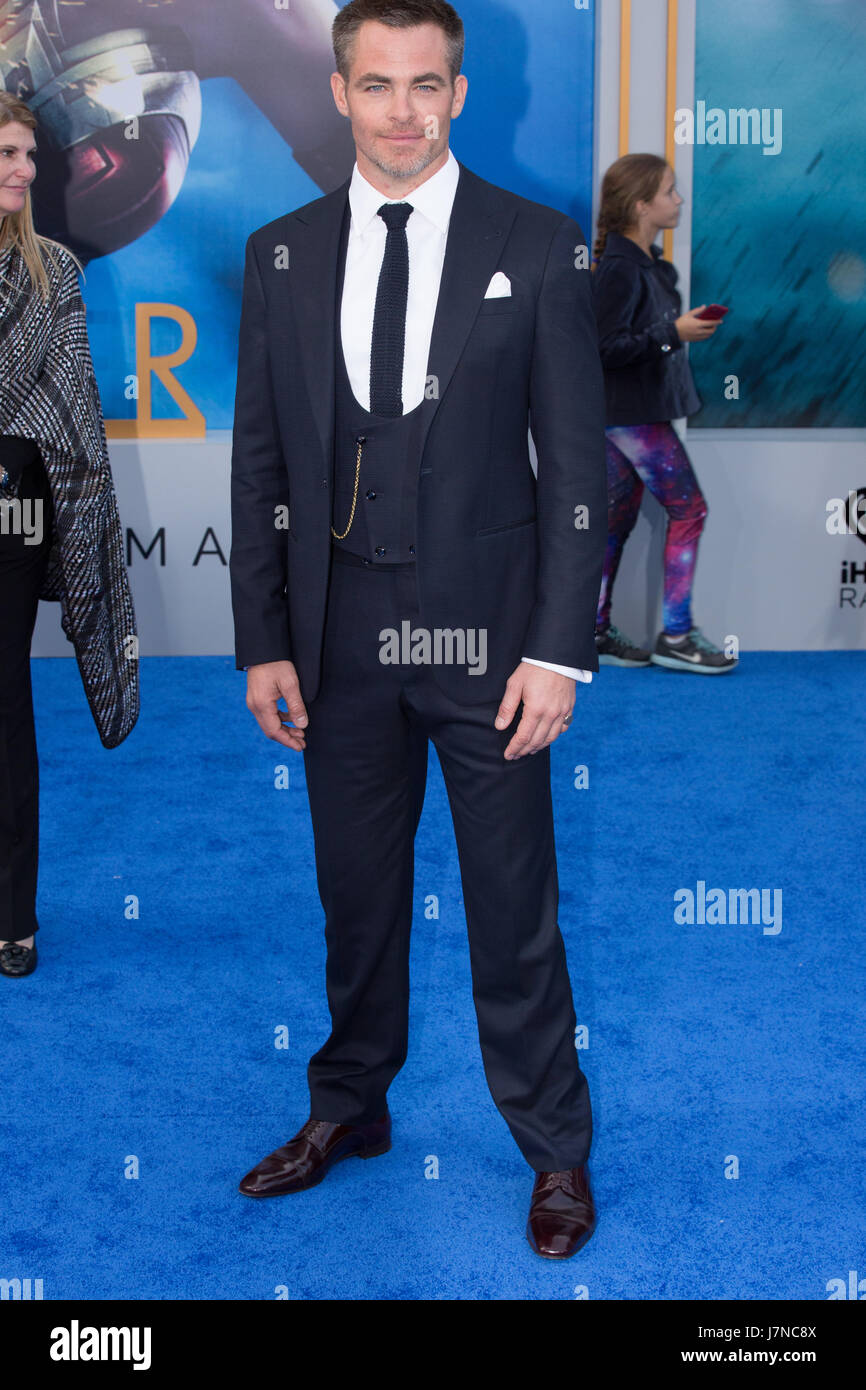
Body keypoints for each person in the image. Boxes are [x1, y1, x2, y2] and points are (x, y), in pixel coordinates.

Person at [229, 0, 607, 1260]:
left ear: (456, 91)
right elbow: (260, 458)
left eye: (426, 85)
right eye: (377, 85)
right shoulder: (280, 253)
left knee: (512, 906)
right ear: (337, 92)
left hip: (489, 648)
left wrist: (557, 649)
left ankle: (553, 1149)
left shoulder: (537, 244)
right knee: (356, 899)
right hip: (336, 639)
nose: (403, 111)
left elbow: (574, 475)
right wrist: (261, 637)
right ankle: (350, 1107)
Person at [0, 91, 138, 979]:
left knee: (4, 704)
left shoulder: (55, 269)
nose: (22, 171)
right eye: (7, 154)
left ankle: (14, 917)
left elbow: (76, 410)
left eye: (27, 157)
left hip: (15, 500)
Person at [591, 153, 737, 673]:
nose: (679, 200)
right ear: (640, 206)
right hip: (633, 418)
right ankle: (676, 635)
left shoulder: (648, 266)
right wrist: (672, 333)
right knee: (690, 511)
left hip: (628, 416)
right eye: (670, 192)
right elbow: (601, 349)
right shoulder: (618, 271)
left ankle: (594, 631)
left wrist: (671, 332)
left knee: (612, 522)